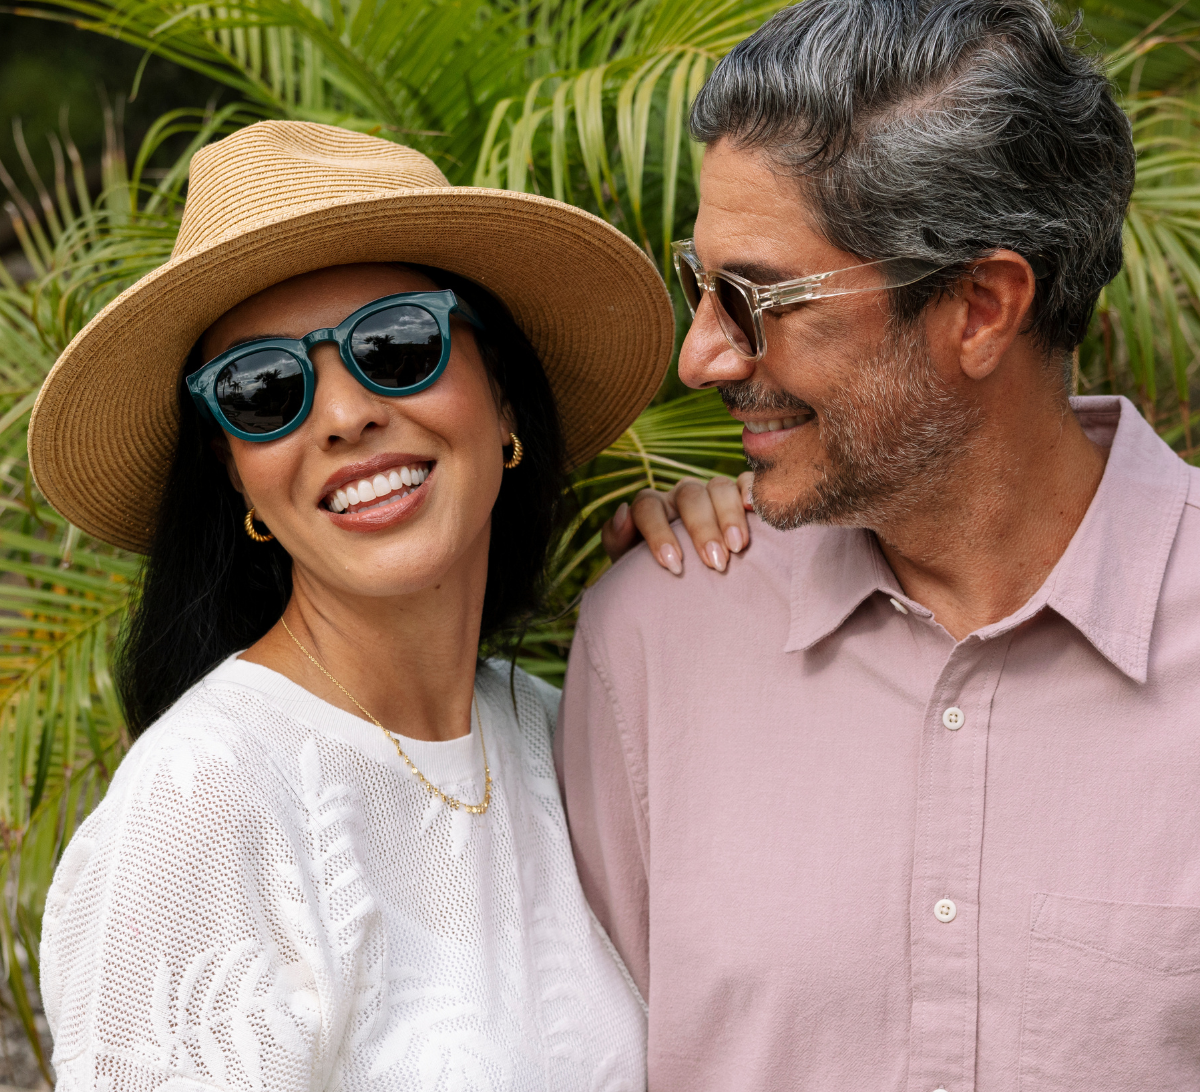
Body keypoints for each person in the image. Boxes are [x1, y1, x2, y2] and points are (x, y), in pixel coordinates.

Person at [557, 2, 1200, 1090]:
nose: (701, 355)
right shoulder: (657, 635)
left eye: (752, 297)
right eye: (696, 282)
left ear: (982, 309)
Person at [29, 119, 686, 1091]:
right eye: (263, 390)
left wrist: (740, 564)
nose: (343, 416)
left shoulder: (565, 732)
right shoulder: (202, 810)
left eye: (396, 343)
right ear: (237, 474)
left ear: (502, 396)